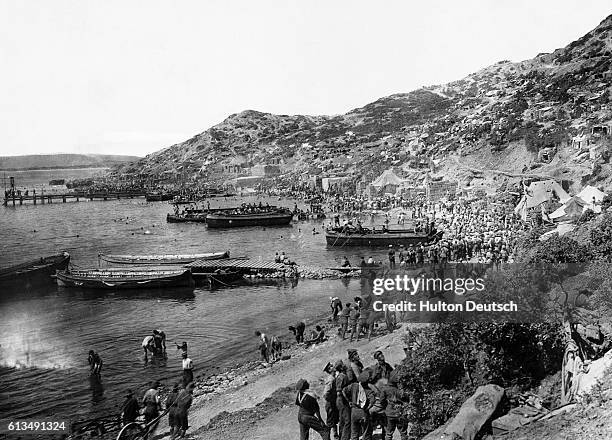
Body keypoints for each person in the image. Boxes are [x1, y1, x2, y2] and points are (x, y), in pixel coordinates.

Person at [343, 371, 374, 440]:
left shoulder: (353, 385)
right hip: (363, 412)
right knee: (366, 432)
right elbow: (372, 401)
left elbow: (343, 391)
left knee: (354, 433)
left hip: (354, 412)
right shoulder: (369, 391)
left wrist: (349, 401)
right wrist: (367, 408)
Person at [382, 370, 410, 440]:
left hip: (389, 413)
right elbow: (407, 399)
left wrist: (386, 408)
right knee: (403, 433)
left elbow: (381, 400)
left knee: (388, 434)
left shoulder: (385, 389)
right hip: (401, 412)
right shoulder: (402, 389)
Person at [334, 361, 351, 440]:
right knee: (347, 420)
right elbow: (340, 391)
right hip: (342, 401)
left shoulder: (341, 376)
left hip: (341, 400)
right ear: (341, 367)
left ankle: (341, 437)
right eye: (343, 365)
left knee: (342, 420)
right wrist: (348, 400)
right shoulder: (342, 377)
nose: (345, 365)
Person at [323, 362, 340, 440]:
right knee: (330, 422)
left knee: (335, 420)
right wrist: (331, 400)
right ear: (330, 369)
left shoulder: (334, 377)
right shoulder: (330, 379)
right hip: (330, 404)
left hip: (333, 402)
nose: (333, 366)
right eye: (331, 366)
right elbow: (325, 393)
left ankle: (336, 435)